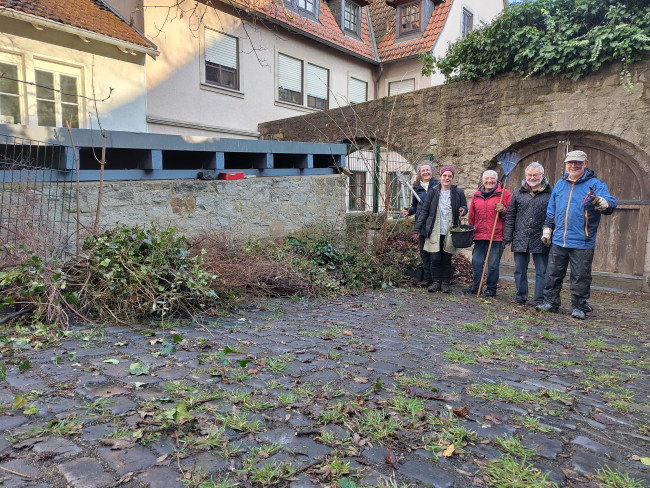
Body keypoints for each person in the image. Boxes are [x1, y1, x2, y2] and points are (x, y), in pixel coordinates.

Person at [536, 150, 617, 319]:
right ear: (566, 164)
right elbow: (552, 209)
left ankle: (579, 306)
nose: (574, 165)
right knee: (552, 273)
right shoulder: (560, 184)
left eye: (578, 163)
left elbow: (610, 204)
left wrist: (603, 203)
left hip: (582, 240)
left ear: (585, 163)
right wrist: (547, 228)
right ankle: (551, 302)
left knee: (580, 276)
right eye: (570, 162)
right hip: (559, 239)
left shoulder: (595, 184)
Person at [503, 162, 552, 305]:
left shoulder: (550, 192)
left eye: (535, 175)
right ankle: (521, 295)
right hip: (521, 236)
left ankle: (539, 299)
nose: (532, 177)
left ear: (542, 175)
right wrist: (507, 235)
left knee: (542, 271)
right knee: (519, 269)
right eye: (529, 175)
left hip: (541, 237)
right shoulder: (519, 193)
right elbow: (511, 215)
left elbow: (554, 214)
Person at [414, 166, 467, 293]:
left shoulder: (458, 192)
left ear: (452, 178)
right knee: (435, 257)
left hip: (450, 229)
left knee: (446, 257)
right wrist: (417, 229)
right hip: (434, 229)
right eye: (444, 175)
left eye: (449, 176)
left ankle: (445, 282)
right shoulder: (433, 191)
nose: (447, 178)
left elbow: (464, 207)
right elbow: (425, 211)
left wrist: (463, 210)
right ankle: (436, 281)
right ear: (441, 177)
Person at [462, 170, 512, 297]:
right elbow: (472, 216)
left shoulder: (504, 194)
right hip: (479, 235)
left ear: (496, 180)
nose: (489, 181)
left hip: (496, 236)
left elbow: (512, 214)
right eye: (487, 179)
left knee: (493, 265)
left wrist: (504, 210)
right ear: (483, 180)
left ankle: (491, 289)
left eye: (492, 179)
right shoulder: (477, 195)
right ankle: (476, 286)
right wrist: (472, 231)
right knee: (477, 261)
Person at [402, 162, 439, 287]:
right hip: (421, 224)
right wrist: (408, 211)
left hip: (434, 224)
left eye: (427, 170)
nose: (426, 172)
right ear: (420, 173)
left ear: (432, 171)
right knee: (424, 253)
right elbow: (415, 206)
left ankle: (436, 280)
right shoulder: (416, 188)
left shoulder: (438, 186)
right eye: (423, 171)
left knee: (435, 254)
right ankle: (427, 279)